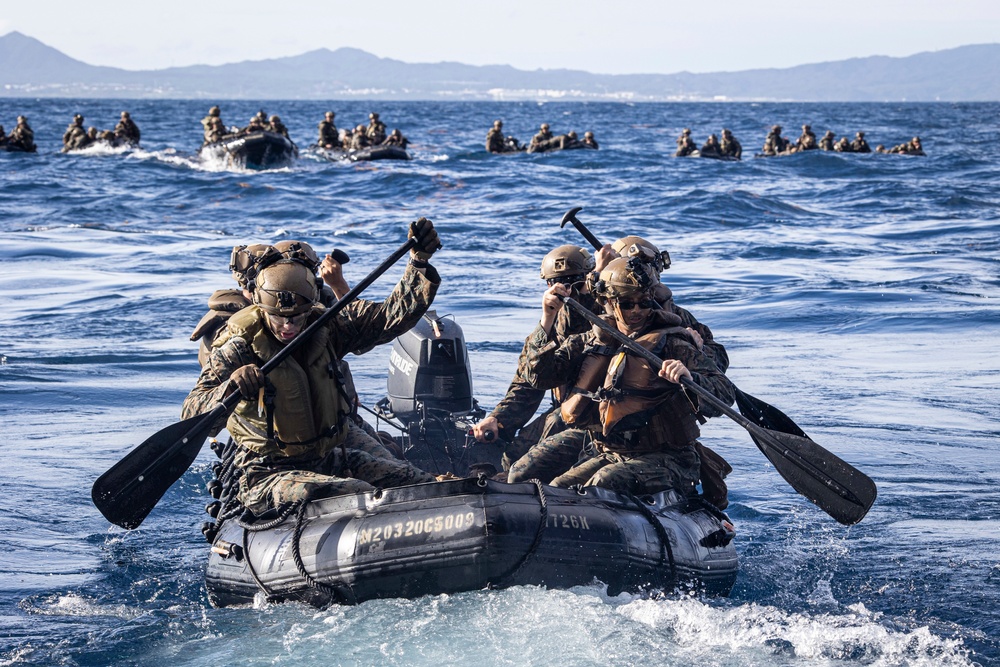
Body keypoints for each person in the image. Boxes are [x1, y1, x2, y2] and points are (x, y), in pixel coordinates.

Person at [181, 219, 444, 515]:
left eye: (297, 316)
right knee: (360, 495)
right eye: (278, 317)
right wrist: (231, 386)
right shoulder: (240, 345)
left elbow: (389, 317)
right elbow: (192, 411)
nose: (288, 325)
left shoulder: (327, 325)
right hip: (267, 471)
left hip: (327, 454)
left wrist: (418, 262)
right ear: (260, 306)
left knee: (419, 484)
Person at [520, 257, 735, 498]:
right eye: (626, 304)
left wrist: (691, 379)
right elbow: (537, 376)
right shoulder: (590, 340)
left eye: (643, 303)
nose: (636, 311)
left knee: (601, 484)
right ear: (609, 303)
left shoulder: (673, 344)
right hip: (611, 452)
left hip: (670, 458)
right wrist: (547, 318)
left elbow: (724, 393)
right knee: (556, 489)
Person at [472, 245, 606, 475]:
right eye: (558, 283)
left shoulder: (610, 313)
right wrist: (498, 418)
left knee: (527, 466)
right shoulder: (550, 325)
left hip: (600, 417)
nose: (567, 290)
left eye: (575, 282)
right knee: (513, 455)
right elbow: (528, 382)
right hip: (567, 414)